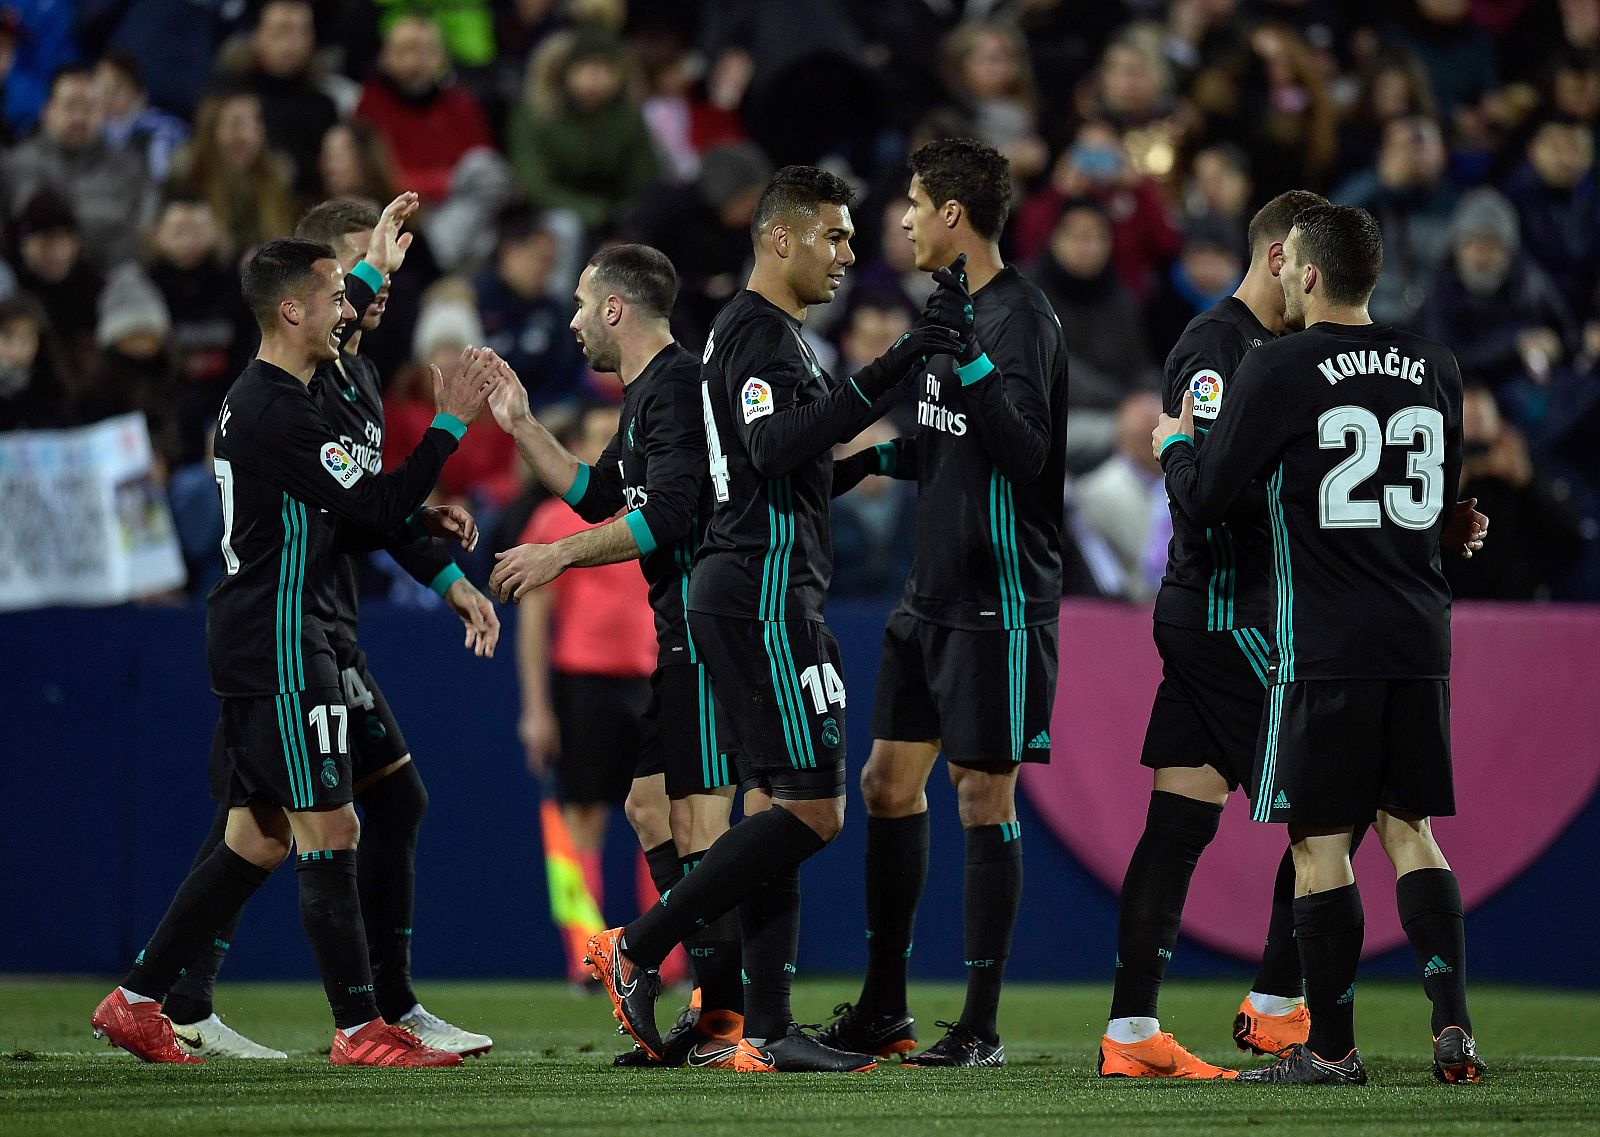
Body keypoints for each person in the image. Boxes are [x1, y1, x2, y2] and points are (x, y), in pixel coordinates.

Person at [88, 198, 499, 1067]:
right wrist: (452, 422)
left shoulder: (291, 390)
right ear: (293, 310)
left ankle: (137, 999)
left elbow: (365, 515)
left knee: (258, 835)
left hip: (279, 627)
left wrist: (425, 525)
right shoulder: (278, 409)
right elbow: (374, 502)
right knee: (329, 825)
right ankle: (362, 1028)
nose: (347, 308)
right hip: (279, 633)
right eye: (335, 295)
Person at [579, 166, 962, 1073]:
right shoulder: (755, 332)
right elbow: (771, 443)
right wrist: (900, 361)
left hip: (756, 582)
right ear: (780, 239)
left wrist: (875, 462)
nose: (849, 253)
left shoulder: (763, 336)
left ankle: (768, 1026)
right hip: (758, 591)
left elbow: (779, 471)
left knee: (785, 806)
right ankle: (637, 947)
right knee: (817, 809)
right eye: (833, 236)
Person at [1155, 203, 1486, 1086]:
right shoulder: (1437, 364)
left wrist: (1175, 447)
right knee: (1411, 829)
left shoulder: (1280, 365)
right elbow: (1444, 502)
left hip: (1324, 640)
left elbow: (1210, 500)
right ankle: (1452, 1026)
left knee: (1321, 842)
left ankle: (1332, 1049)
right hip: (1420, 635)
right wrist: (1452, 525)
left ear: (1304, 272)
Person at [816, 138, 1068, 1069]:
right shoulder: (951, 312)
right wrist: (863, 463)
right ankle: (886, 1007)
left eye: (916, 203)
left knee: (980, 794)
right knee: (886, 784)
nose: (905, 219)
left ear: (955, 214)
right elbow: (942, 442)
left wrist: (963, 361)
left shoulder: (1021, 319)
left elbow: (1026, 451)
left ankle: (982, 1025)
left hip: (1000, 597)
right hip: (927, 596)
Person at [488, 244, 758, 1069]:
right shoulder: (643, 396)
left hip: (709, 632)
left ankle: (707, 1007)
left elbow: (672, 511)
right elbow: (602, 494)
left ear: (615, 308)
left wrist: (560, 556)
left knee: (703, 824)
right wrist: (522, 426)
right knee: (648, 808)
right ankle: (681, 991)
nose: (569, 319)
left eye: (579, 303)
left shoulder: (675, 385)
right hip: (677, 636)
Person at [1098, 189, 1326, 1081]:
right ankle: (1275, 1007)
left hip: (1215, 609)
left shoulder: (1278, 349)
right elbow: (1212, 488)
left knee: (1178, 822)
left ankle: (1130, 1032)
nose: (1317, 285)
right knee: (1328, 805)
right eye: (1308, 268)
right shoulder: (1217, 347)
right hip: (1231, 610)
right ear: (1278, 259)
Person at [511, 402, 667, 989]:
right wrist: (536, 708)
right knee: (582, 820)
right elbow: (533, 621)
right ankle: (587, 958)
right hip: (585, 683)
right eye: (600, 437)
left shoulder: (661, 512)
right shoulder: (554, 521)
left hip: (653, 678)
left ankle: (662, 958)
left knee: (667, 817)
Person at [1, 64, 156, 269]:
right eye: (70, 105)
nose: (79, 118)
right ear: (47, 111)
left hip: (111, 278)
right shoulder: (15, 165)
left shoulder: (130, 168)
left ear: (103, 114)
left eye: (89, 107)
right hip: (29, 282)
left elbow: (144, 231)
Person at [353, 14, 493, 204]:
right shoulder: (370, 106)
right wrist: (446, 181)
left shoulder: (461, 103)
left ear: (441, 57)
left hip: (462, 201)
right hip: (397, 206)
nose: (413, 63)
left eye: (422, 51)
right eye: (403, 51)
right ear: (384, 57)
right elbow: (379, 177)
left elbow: (482, 163)